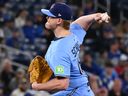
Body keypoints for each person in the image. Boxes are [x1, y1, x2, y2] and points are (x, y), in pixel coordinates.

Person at [31, 2, 110, 96]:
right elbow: (82, 21)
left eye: (50, 16)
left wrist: (37, 86)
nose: (47, 18)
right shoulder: (72, 33)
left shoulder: (58, 50)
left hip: (76, 92)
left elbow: (63, 83)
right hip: (80, 88)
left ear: (59, 20)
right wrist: (98, 15)